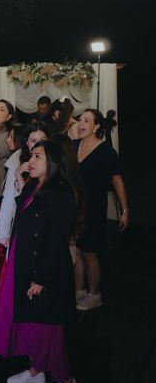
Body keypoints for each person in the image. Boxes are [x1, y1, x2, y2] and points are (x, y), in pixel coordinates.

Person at [0, 140, 82, 383]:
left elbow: (57, 242)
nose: (31, 159)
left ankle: (68, 382)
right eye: (32, 155)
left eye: (38, 156)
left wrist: (41, 278)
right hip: (23, 265)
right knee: (30, 325)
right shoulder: (33, 187)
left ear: (52, 162)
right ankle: (36, 371)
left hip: (45, 273)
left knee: (47, 331)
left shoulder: (61, 193)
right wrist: (19, 180)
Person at [73, 109, 128, 311]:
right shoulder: (74, 145)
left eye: (86, 120)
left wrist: (124, 211)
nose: (81, 123)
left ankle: (95, 294)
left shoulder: (105, 151)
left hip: (93, 209)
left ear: (96, 126)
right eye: (80, 120)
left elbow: (118, 181)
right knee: (76, 250)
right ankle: (79, 291)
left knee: (89, 252)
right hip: (74, 209)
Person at [0, 123, 49, 247]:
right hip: (22, 221)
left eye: (42, 140)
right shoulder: (17, 160)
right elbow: (9, 199)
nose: (37, 145)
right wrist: (3, 233)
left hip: (46, 225)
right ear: (26, 142)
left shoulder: (55, 161)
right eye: (33, 140)